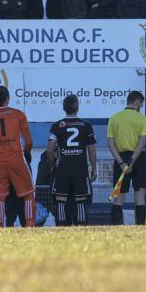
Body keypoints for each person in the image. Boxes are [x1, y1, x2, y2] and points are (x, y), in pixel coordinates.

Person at [0, 86, 35, 228]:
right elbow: (28, 141)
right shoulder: (18, 114)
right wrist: (26, 152)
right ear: (7, 98)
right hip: (16, 157)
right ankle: (30, 225)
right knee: (28, 194)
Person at [46, 95, 97, 227]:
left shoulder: (57, 126)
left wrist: (52, 165)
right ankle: (82, 229)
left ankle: (61, 230)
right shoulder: (86, 126)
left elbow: (50, 149)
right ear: (77, 107)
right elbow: (91, 150)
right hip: (80, 169)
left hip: (62, 169)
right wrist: (94, 168)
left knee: (61, 201)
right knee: (81, 201)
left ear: (64, 108)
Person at [106, 91, 146, 226]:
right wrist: (131, 161)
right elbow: (142, 142)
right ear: (137, 102)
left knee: (119, 196)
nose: (140, 108)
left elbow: (110, 143)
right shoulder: (142, 119)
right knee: (140, 195)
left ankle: (115, 227)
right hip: (138, 158)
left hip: (121, 158)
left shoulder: (114, 118)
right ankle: (140, 226)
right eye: (140, 105)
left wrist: (121, 162)